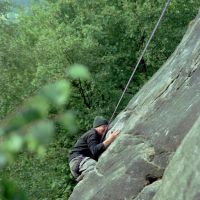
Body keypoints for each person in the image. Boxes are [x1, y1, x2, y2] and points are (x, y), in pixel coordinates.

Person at [68, 116, 120, 181]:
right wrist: (110, 139)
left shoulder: (96, 136)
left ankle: (83, 178)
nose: (105, 128)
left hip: (78, 164)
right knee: (95, 170)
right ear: (97, 127)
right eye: (103, 126)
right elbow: (94, 150)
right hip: (79, 160)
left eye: (106, 127)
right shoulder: (92, 133)